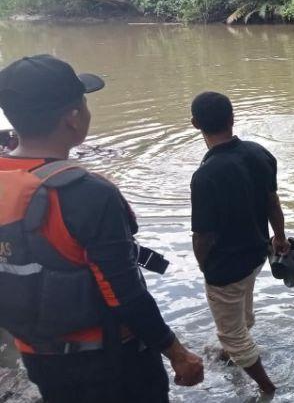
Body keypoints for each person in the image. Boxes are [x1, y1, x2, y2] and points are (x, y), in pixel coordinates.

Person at [0, 55, 203, 403]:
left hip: (38, 356)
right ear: (73, 117)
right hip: (111, 361)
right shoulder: (87, 193)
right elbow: (123, 291)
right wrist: (176, 352)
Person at [189, 91, 290, 395]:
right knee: (241, 310)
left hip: (226, 265)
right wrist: (280, 237)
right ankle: (230, 353)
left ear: (195, 124)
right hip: (257, 254)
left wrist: (205, 268)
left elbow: (202, 235)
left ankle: (268, 389)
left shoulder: (205, 176)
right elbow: (273, 202)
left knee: (231, 332)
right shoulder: (259, 153)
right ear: (232, 118)